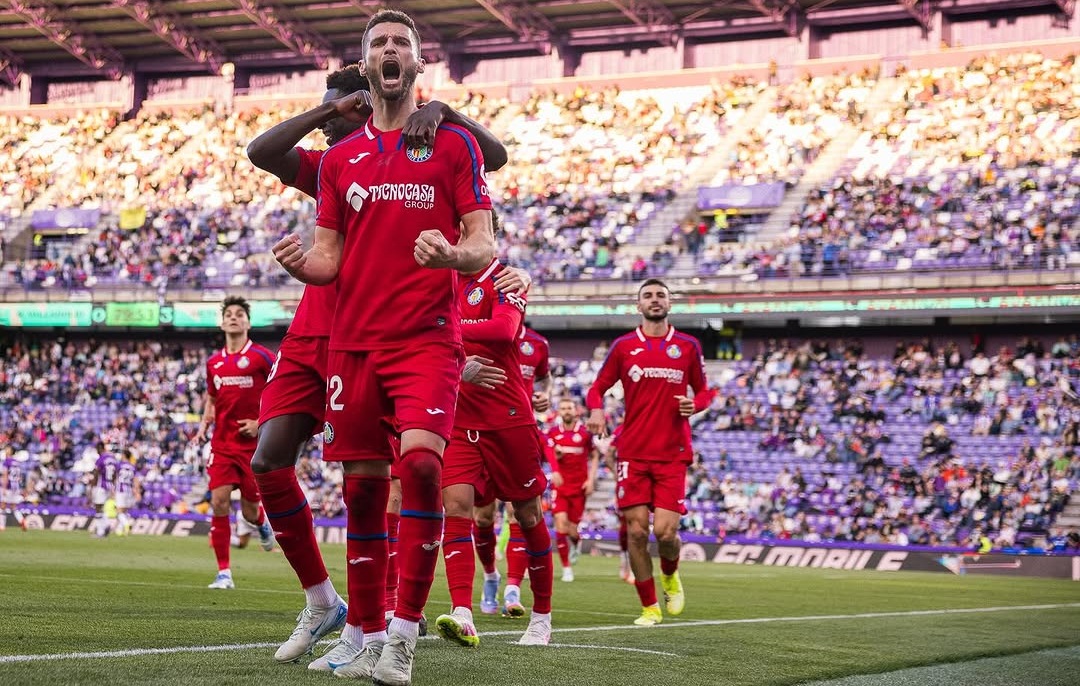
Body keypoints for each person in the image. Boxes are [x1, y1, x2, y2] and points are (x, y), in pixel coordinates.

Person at [247, 62, 509, 664]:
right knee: (269, 461)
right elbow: (262, 152)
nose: (333, 122)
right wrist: (327, 111)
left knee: (385, 482)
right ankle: (323, 601)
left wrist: (443, 110)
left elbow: (492, 158)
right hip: (315, 335)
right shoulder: (331, 165)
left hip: (386, 336)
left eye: (343, 106)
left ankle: (376, 627)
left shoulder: (427, 150)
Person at [586, 279, 713, 626]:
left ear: (669, 303)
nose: (655, 300)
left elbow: (705, 391)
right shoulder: (624, 346)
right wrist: (596, 410)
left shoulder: (687, 346)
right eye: (648, 296)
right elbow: (597, 388)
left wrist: (696, 404)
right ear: (638, 305)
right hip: (633, 453)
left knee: (666, 534)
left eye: (660, 295)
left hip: (673, 453)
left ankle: (670, 575)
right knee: (637, 532)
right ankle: (650, 608)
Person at [194, 295, 276, 589]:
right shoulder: (213, 362)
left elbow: (280, 390)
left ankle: (261, 523)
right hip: (222, 445)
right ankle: (224, 573)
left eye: (240, 313)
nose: (233, 317)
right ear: (222, 323)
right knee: (219, 502)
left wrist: (260, 423)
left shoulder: (262, 357)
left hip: (253, 447)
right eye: (229, 313)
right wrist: (204, 424)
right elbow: (212, 398)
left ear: (248, 323)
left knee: (249, 512)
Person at [546, 397, 599, 582]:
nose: (566, 411)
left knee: (572, 530)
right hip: (560, 486)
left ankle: (576, 543)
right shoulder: (553, 433)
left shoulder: (585, 433)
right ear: (559, 412)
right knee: (560, 524)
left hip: (579, 488)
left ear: (576, 411)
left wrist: (591, 479)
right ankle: (566, 568)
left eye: (569, 408)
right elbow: (547, 453)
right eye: (563, 408)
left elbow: (594, 455)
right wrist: (555, 468)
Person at [518, 324, 553, 415]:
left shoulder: (539, 342)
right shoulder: (487, 337)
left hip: (523, 415)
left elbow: (545, 376)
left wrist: (545, 393)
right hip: (488, 413)